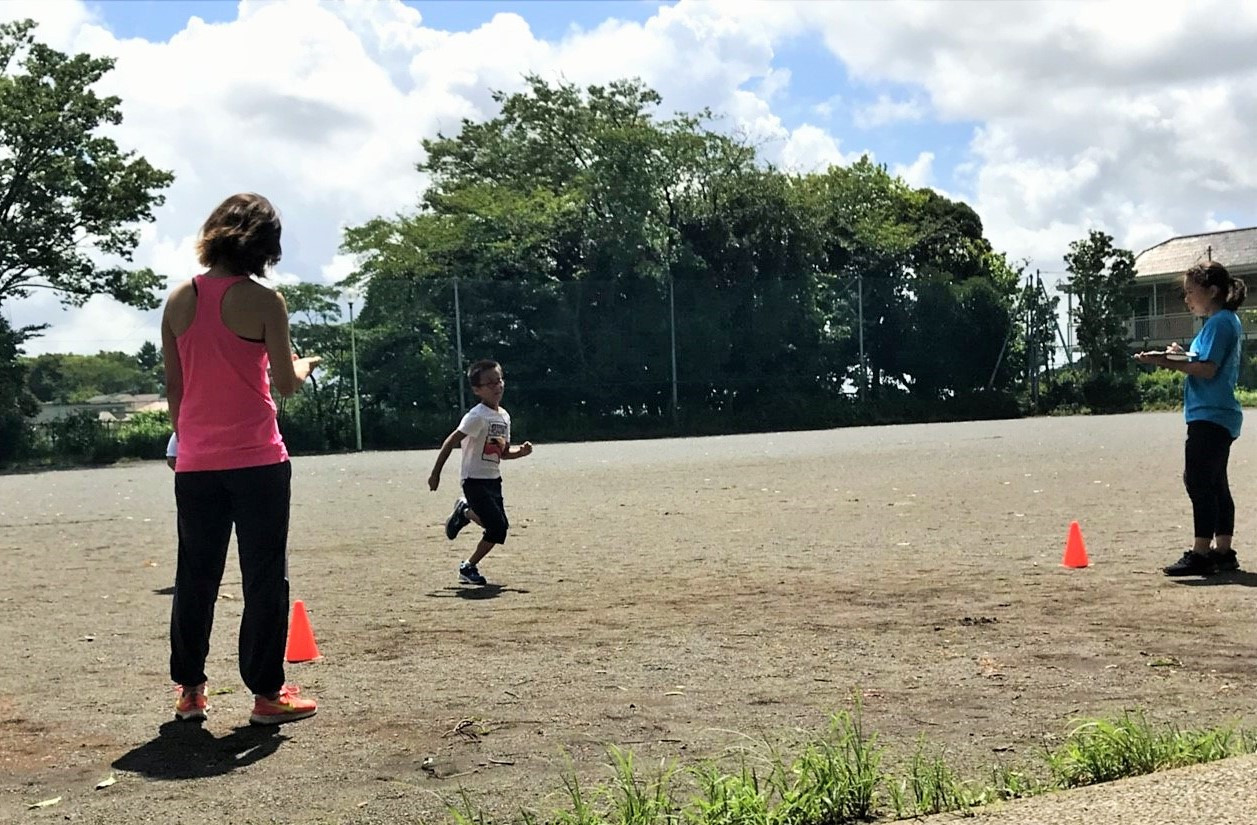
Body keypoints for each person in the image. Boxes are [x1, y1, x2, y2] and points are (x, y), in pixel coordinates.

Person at [161, 192, 321, 725]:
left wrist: (189, 443)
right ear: (265, 246)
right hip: (257, 460)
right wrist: (304, 364)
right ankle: (266, 695)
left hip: (196, 462)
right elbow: (285, 385)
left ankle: (190, 690)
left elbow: (176, 391)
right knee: (264, 577)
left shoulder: (180, 299)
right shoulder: (264, 301)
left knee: (196, 576)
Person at [1135, 260, 1247, 577]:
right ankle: (1222, 551)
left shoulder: (1220, 323)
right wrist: (1179, 355)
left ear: (1212, 291)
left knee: (1198, 480)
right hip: (1219, 413)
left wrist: (1166, 362)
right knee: (1215, 483)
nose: (1187, 299)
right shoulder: (1224, 321)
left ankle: (1201, 552)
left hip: (1209, 414)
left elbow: (1208, 368)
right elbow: (1202, 360)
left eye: (1190, 292)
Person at [428, 360, 532, 585]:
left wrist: (520, 452)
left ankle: (464, 512)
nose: (497, 386)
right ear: (477, 389)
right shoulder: (477, 416)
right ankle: (468, 566)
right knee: (497, 527)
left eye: (499, 380)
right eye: (490, 383)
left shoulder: (503, 417)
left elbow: (501, 452)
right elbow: (450, 441)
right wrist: (435, 473)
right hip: (473, 480)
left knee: (497, 529)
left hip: (493, 480)